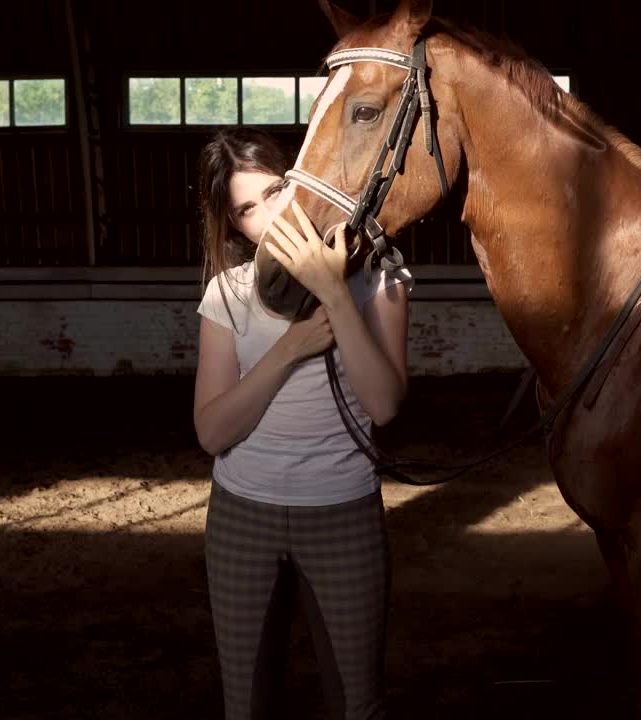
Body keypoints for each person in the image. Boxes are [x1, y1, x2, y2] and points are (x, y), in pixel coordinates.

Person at [192, 127, 413, 720]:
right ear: (236, 226)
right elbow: (213, 433)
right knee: (248, 702)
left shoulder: (381, 279)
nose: (268, 213)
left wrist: (335, 296)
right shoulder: (227, 294)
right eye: (247, 208)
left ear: (303, 181)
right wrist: (289, 348)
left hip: (343, 514)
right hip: (243, 516)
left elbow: (386, 405)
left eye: (275, 189)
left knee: (357, 702)